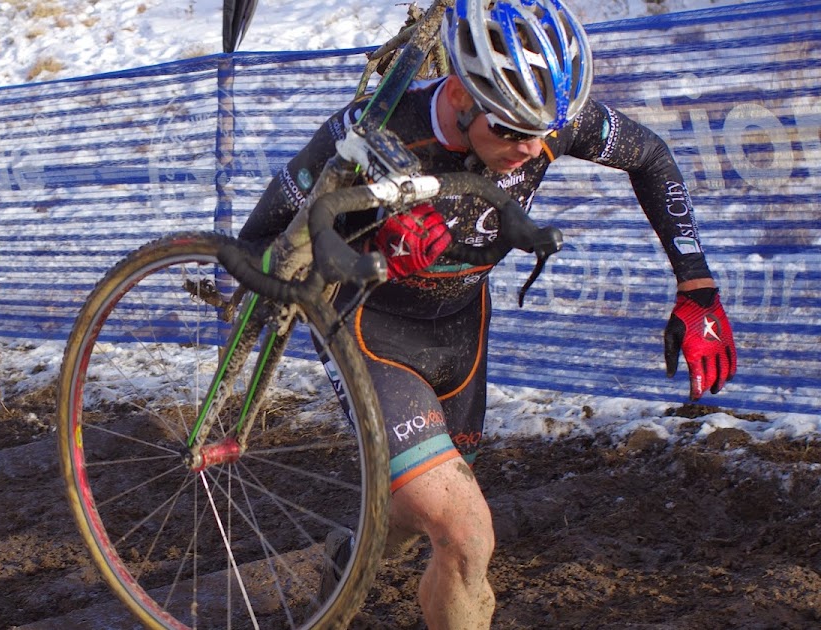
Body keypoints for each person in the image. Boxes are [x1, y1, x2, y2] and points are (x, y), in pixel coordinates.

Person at [237, 0, 737, 628]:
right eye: (510, 132)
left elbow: (652, 156)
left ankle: (334, 588)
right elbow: (257, 241)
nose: (531, 149)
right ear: (462, 98)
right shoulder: (373, 129)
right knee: (467, 534)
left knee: (419, 521)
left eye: (544, 133)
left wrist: (696, 283)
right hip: (369, 332)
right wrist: (347, 254)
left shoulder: (537, 122)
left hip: (460, 335)